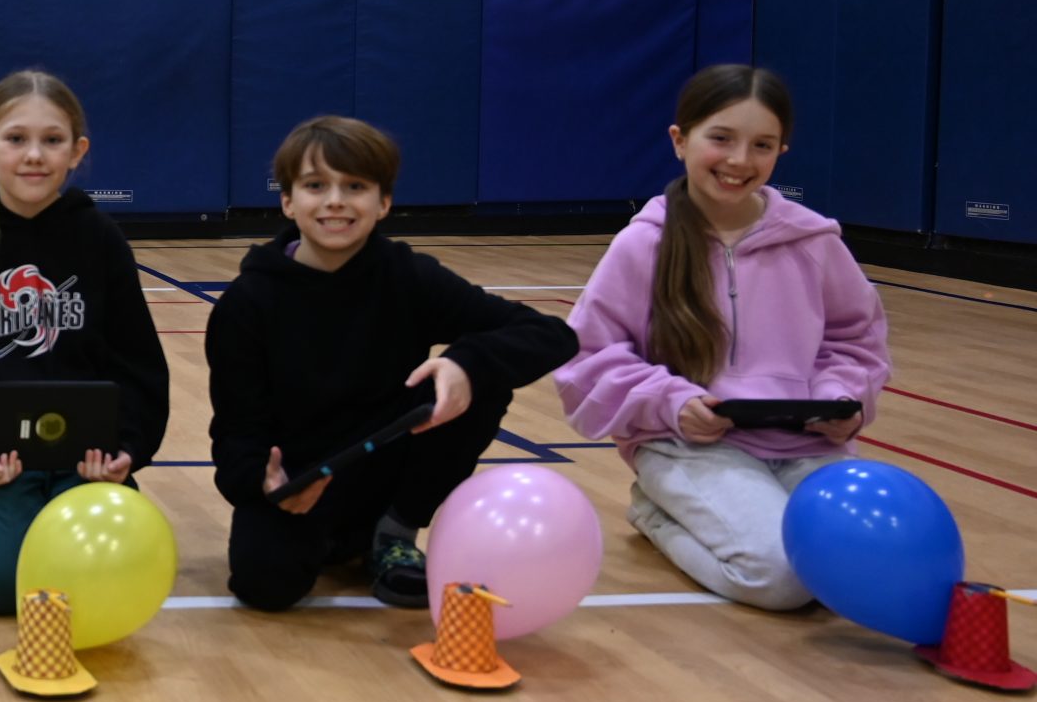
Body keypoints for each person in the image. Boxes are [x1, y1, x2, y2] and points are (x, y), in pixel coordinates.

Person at [208, 116, 575, 611]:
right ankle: (335, 542)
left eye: (354, 186)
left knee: (479, 377)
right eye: (316, 186)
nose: (335, 200)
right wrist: (261, 481)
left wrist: (465, 364)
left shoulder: (410, 278)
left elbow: (551, 334)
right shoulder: (247, 303)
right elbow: (236, 429)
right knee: (266, 587)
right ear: (288, 202)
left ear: (383, 203)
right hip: (301, 478)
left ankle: (395, 532)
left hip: (388, 470)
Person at [556, 65, 889, 609]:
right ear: (679, 140)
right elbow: (588, 358)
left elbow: (856, 341)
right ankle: (656, 512)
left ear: (781, 151)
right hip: (689, 447)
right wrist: (673, 402)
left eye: (762, 145)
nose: (739, 160)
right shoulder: (644, 244)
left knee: (866, 565)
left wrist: (841, 399)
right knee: (785, 578)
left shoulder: (815, 241)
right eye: (721, 138)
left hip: (807, 445)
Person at [0, 70, 168, 615]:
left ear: (77, 151)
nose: (34, 155)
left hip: (87, 456)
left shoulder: (101, 240)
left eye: (52, 140)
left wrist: (126, 447)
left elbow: (139, 363)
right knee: (1, 589)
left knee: (105, 579)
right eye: (16, 138)